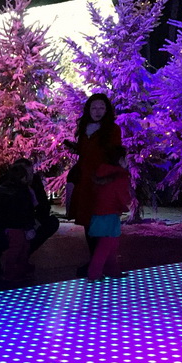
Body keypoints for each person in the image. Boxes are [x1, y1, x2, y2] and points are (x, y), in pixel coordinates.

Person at [64, 94, 122, 274]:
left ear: (107, 110)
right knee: (88, 222)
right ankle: (94, 261)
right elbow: (86, 153)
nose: (97, 112)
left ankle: (102, 263)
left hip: (101, 181)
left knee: (101, 222)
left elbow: (113, 155)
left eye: (101, 108)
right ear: (89, 109)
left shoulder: (112, 129)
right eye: (94, 108)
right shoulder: (84, 128)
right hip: (85, 181)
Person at [0, 159, 59, 287]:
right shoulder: (4, 186)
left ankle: (20, 263)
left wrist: (33, 221)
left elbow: (43, 207)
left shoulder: (33, 184)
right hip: (5, 226)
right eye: (27, 173)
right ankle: (3, 266)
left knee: (26, 241)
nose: (30, 176)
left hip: (23, 223)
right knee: (14, 242)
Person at [86, 145, 131, 281]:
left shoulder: (101, 173)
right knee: (107, 244)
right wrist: (125, 204)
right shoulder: (119, 175)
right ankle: (95, 273)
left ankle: (111, 269)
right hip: (111, 212)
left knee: (109, 243)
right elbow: (122, 195)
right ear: (120, 159)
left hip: (99, 211)